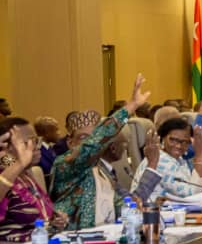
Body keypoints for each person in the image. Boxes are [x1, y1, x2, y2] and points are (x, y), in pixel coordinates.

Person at [51, 75, 152, 230]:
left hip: (104, 236)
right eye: (83, 137)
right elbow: (90, 147)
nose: (91, 141)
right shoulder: (65, 163)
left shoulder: (101, 169)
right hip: (73, 239)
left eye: (93, 137)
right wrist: (130, 107)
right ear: (70, 143)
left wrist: (134, 208)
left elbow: (117, 205)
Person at [0, 117, 69, 242]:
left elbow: (40, 217)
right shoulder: (7, 172)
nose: (37, 147)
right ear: (7, 146)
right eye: (30, 142)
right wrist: (20, 162)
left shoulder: (24, 174)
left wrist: (54, 222)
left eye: (37, 141)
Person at [130, 117, 202, 203]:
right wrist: (200, 154)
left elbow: (196, 187)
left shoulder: (179, 159)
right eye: (173, 140)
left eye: (184, 142)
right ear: (163, 137)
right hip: (149, 209)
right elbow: (193, 194)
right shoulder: (160, 160)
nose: (178, 146)